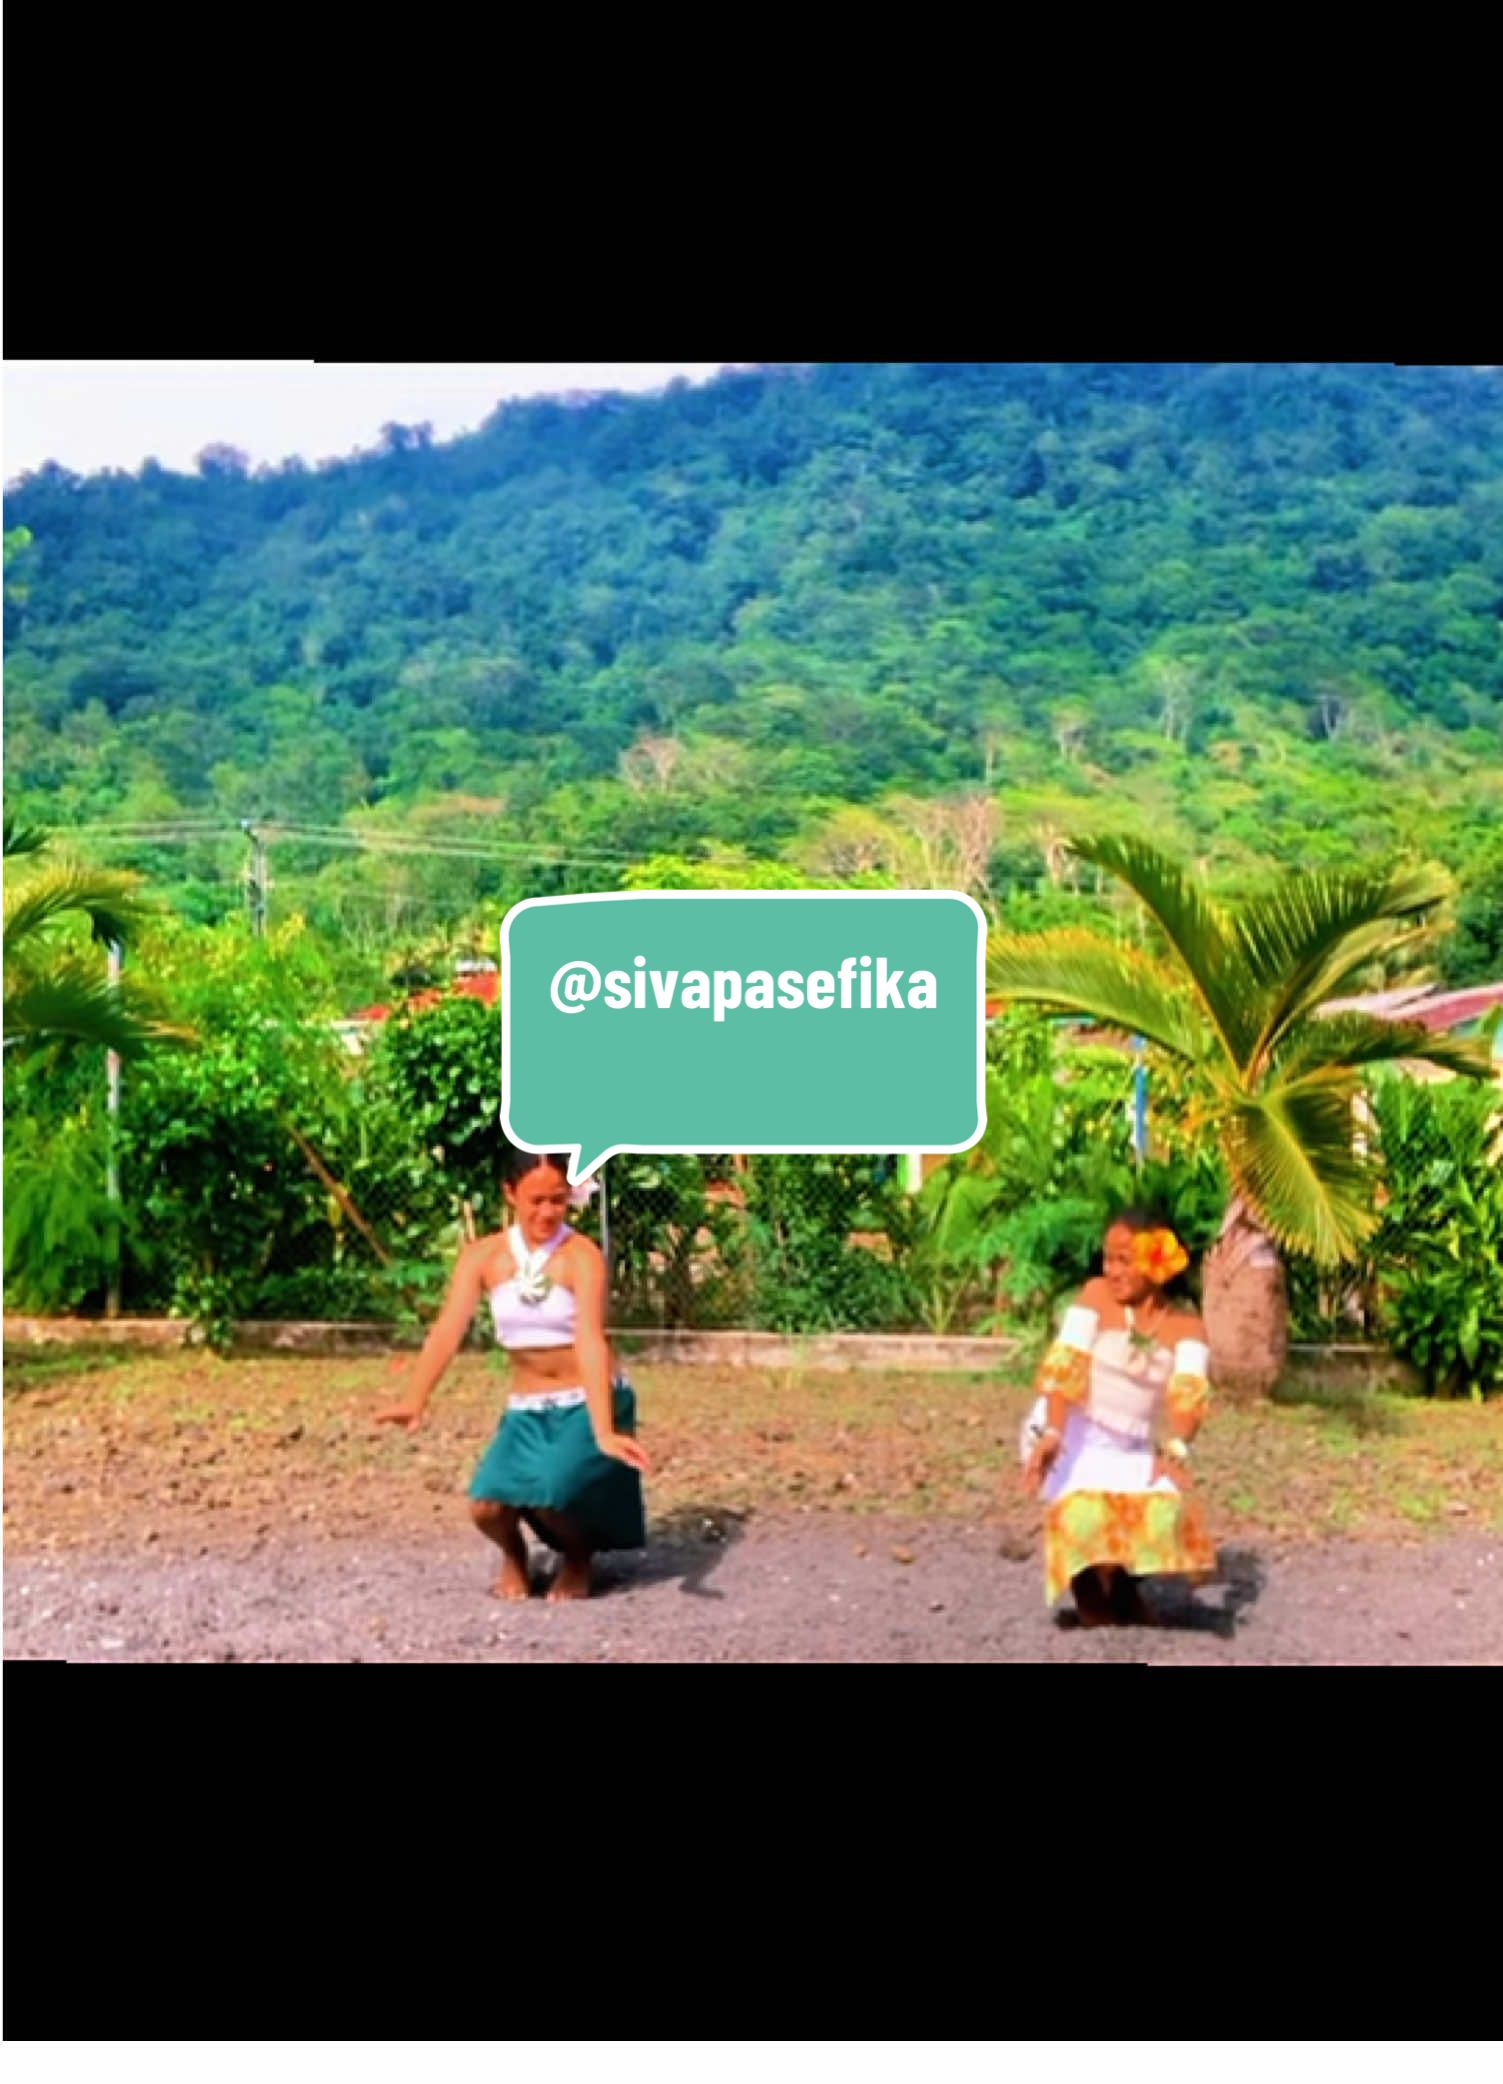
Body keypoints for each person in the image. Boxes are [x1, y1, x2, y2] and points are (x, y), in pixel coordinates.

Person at [377, 1149, 650, 1601]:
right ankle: (515, 1557)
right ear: (509, 1194)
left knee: (551, 1492)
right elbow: (448, 1329)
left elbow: (590, 1339)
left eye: (558, 1201)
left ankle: (578, 1558)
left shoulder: (582, 1256)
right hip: (527, 1408)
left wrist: (603, 1429)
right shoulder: (483, 1256)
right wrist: (415, 1399)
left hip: (587, 1399)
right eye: (535, 1200)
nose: (547, 1212)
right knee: (486, 1506)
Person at [1019, 1207, 1216, 1626]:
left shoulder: (1186, 1326)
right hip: (1071, 1431)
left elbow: (1188, 1397)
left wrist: (1176, 1448)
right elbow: (1064, 1366)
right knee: (1085, 1510)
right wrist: (1052, 1432)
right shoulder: (1094, 1296)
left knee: (1163, 1506)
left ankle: (1123, 1582)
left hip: (1131, 1447)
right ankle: (1088, 1582)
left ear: (1156, 1261)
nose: (1112, 1270)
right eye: (1108, 1258)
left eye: (1124, 1259)